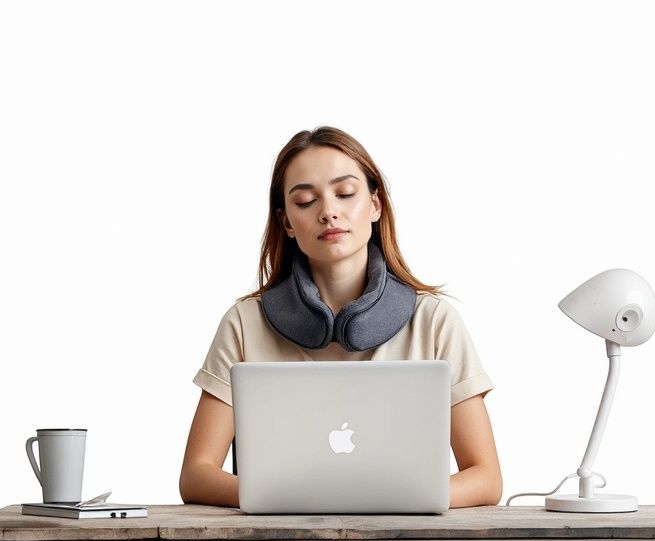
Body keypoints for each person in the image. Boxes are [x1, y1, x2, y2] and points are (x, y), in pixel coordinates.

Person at [179, 126, 502, 509]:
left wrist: (382, 500)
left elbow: (486, 478)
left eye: (345, 193)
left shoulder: (435, 322)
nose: (328, 211)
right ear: (287, 223)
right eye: (304, 201)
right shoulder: (244, 324)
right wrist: (293, 499)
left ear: (375, 205)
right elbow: (196, 474)